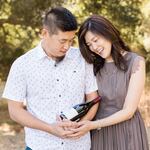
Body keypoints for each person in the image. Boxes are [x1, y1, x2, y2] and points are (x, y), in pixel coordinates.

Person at [2, 7, 99, 150]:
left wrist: (81, 126)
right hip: (40, 146)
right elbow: (15, 111)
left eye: (71, 41)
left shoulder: (82, 59)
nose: (67, 46)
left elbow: (93, 99)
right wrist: (50, 128)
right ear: (44, 33)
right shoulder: (22, 65)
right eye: (62, 41)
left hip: (79, 146)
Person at [69, 15, 149, 150]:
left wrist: (92, 125)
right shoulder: (92, 66)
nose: (94, 47)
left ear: (107, 32)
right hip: (100, 134)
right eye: (89, 45)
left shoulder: (136, 62)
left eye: (95, 40)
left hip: (127, 132)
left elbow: (129, 111)